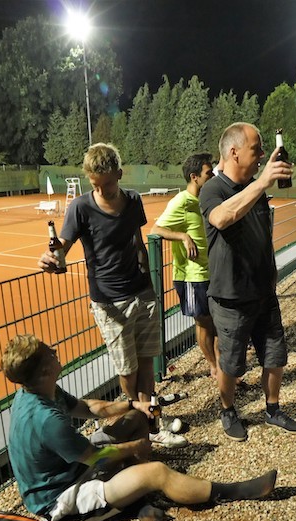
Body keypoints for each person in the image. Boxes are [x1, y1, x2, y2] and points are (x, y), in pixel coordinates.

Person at [0, 334, 278, 521]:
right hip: (60, 498)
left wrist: (134, 404)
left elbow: (87, 407)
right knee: (157, 472)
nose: (54, 350)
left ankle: (137, 496)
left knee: (136, 418)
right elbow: (96, 456)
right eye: (49, 353)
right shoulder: (47, 420)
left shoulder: (37, 390)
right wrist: (136, 448)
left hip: (72, 467)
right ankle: (234, 491)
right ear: (44, 371)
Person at [37, 143, 186, 449]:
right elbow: (62, 246)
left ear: (119, 174)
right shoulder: (80, 208)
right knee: (128, 371)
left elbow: (138, 242)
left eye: (106, 184)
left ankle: (152, 423)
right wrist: (50, 258)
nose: (101, 190)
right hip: (109, 304)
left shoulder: (133, 200)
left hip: (142, 294)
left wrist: (149, 287)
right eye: (95, 184)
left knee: (147, 366)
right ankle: (140, 424)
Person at [199, 122, 296, 441]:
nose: (261, 155)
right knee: (231, 364)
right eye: (256, 149)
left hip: (264, 292)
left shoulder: (255, 189)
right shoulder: (213, 189)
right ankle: (228, 411)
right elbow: (221, 218)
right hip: (230, 297)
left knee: (275, 357)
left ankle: (273, 409)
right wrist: (262, 182)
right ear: (234, 152)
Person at [150, 153, 217, 378]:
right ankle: (214, 367)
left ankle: (221, 365)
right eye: (208, 173)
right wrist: (183, 236)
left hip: (211, 271)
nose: (212, 176)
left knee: (215, 320)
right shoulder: (181, 201)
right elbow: (156, 229)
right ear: (194, 176)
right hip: (191, 276)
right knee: (203, 321)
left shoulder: (205, 199)